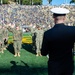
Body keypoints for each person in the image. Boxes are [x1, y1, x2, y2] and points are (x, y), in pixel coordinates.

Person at [41, 7, 75, 75]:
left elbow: (43, 52)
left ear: (53, 16)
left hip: (54, 67)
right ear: (65, 17)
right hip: (67, 66)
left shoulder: (48, 33)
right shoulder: (73, 30)